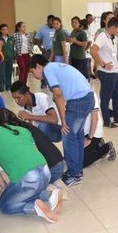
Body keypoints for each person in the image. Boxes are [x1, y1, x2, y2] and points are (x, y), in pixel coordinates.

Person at [0, 108, 63, 223]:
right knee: (28, 189)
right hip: (46, 172)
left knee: (4, 205)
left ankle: (35, 206)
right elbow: (35, 152)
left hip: (29, 177)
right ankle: (50, 195)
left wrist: (3, 186)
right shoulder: (23, 130)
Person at [29, 55, 95, 186]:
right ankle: (77, 171)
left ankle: (74, 174)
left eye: (32, 72)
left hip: (79, 101)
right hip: (86, 98)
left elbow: (58, 95)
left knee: (68, 136)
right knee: (76, 136)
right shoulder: (55, 66)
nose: (34, 76)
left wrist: (63, 120)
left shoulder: (48, 70)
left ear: (38, 66)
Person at [0, 109, 66, 184]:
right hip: (57, 163)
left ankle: (49, 193)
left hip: (52, 169)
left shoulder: (15, 133)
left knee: (21, 188)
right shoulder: (20, 126)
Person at [91, 17, 118, 128]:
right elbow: (93, 50)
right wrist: (102, 64)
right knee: (106, 97)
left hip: (114, 71)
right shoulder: (102, 36)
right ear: (112, 27)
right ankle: (106, 121)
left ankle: (117, 117)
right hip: (106, 72)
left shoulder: (114, 37)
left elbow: (112, 53)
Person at [83, 92, 117, 167]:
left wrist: (89, 138)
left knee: (82, 162)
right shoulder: (69, 92)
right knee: (70, 158)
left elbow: (95, 119)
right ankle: (97, 144)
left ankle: (106, 147)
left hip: (92, 132)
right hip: (81, 133)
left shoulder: (89, 93)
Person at [68, 16, 90, 80]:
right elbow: (72, 44)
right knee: (74, 75)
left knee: (82, 76)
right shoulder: (73, 32)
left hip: (80, 58)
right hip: (73, 57)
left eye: (75, 22)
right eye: (72, 22)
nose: (74, 24)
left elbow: (85, 43)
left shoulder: (82, 33)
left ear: (79, 23)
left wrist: (75, 41)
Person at [0, 24, 15, 92]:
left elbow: (13, 49)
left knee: (9, 73)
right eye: (3, 30)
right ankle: (1, 88)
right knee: (2, 74)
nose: (5, 31)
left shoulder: (11, 39)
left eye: (6, 29)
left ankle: (8, 87)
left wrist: (14, 57)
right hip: (1, 59)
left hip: (10, 58)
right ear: (0, 30)